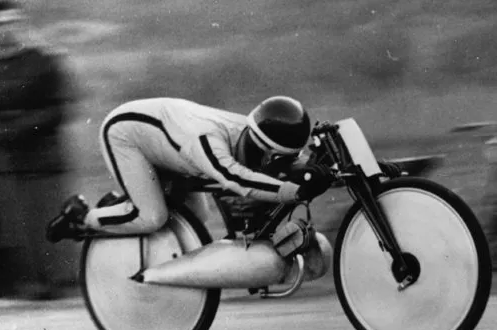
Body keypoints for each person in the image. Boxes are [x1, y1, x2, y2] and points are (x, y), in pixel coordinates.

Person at [46, 96, 340, 245]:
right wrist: (295, 191)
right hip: (126, 134)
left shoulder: (252, 131)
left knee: (197, 220)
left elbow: (286, 163)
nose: (273, 163)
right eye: (271, 157)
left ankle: (124, 206)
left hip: (165, 138)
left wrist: (316, 168)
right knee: (152, 216)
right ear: (260, 143)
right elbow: (236, 178)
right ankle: (82, 216)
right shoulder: (207, 141)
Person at [0, 0, 77, 299]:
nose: (3, 30)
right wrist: (1, 131)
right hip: (4, 165)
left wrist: (18, 128)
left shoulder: (44, 61)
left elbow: (58, 107)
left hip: (43, 161)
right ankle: (28, 287)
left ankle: (64, 285)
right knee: (14, 233)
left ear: (22, 24)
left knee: (52, 229)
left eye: (10, 22)